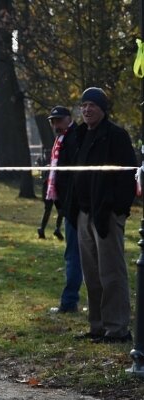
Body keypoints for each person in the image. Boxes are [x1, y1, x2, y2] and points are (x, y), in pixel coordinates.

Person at [68, 87, 138, 343]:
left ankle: (117, 328)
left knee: (111, 272)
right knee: (92, 273)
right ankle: (97, 326)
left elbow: (127, 175)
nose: (87, 110)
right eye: (84, 105)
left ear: (102, 109)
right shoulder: (79, 135)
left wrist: (117, 209)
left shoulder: (116, 136)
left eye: (92, 106)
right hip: (84, 213)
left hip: (106, 213)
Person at [44, 105, 82, 313]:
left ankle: (69, 302)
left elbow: (72, 176)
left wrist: (68, 203)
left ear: (69, 119)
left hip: (74, 206)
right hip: (66, 205)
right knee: (74, 254)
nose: (55, 124)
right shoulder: (61, 139)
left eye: (59, 120)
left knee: (74, 254)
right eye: (53, 121)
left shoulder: (73, 139)